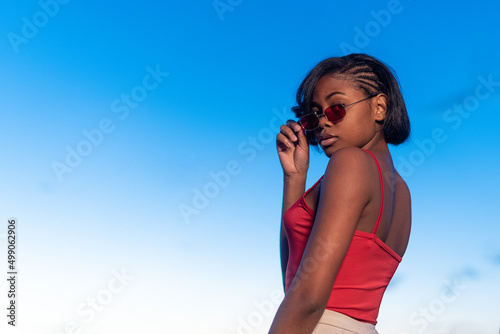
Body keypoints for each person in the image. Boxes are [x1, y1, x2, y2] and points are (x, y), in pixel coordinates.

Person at [269, 53, 411, 334]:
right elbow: (295, 279)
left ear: (379, 107)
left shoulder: (350, 162)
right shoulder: (401, 190)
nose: (322, 122)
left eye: (337, 108)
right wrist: (295, 177)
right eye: (315, 115)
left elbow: (307, 299)